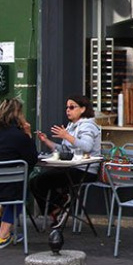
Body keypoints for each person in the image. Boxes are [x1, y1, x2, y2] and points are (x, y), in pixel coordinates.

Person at [32, 94, 102, 228]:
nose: (68, 110)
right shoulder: (71, 126)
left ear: (82, 109)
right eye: (67, 108)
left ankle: (60, 204)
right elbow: (64, 149)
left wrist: (67, 136)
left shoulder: (88, 126)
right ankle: (58, 207)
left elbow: (86, 146)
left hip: (85, 169)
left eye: (72, 107)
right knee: (35, 181)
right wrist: (47, 141)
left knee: (41, 181)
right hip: (71, 166)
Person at [0, 98, 38, 248]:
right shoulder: (19, 136)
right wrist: (28, 134)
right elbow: (32, 160)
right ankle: (3, 234)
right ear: (17, 115)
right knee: (22, 190)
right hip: (11, 189)